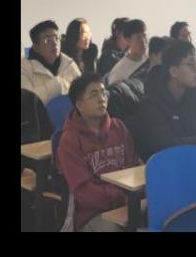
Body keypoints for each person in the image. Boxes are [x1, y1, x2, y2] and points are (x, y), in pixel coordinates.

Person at [58, 72, 138, 231]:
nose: (102, 98)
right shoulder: (70, 140)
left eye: (103, 92)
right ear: (79, 105)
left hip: (125, 204)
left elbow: (133, 168)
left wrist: (130, 198)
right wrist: (121, 196)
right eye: (94, 95)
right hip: (92, 214)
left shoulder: (119, 127)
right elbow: (84, 193)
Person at [135, 40, 196, 161]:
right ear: (173, 71)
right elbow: (166, 145)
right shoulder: (151, 104)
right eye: (191, 64)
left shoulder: (194, 93)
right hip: (164, 165)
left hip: (195, 160)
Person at [22, 20, 82, 104]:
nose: (54, 43)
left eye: (57, 38)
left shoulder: (69, 63)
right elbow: (26, 101)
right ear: (36, 47)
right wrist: (57, 85)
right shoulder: (24, 68)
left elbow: (84, 95)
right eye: (48, 40)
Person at [107, 19, 149, 85]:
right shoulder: (119, 72)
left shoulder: (152, 60)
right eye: (138, 37)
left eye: (144, 36)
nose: (143, 41)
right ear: (128, 40)